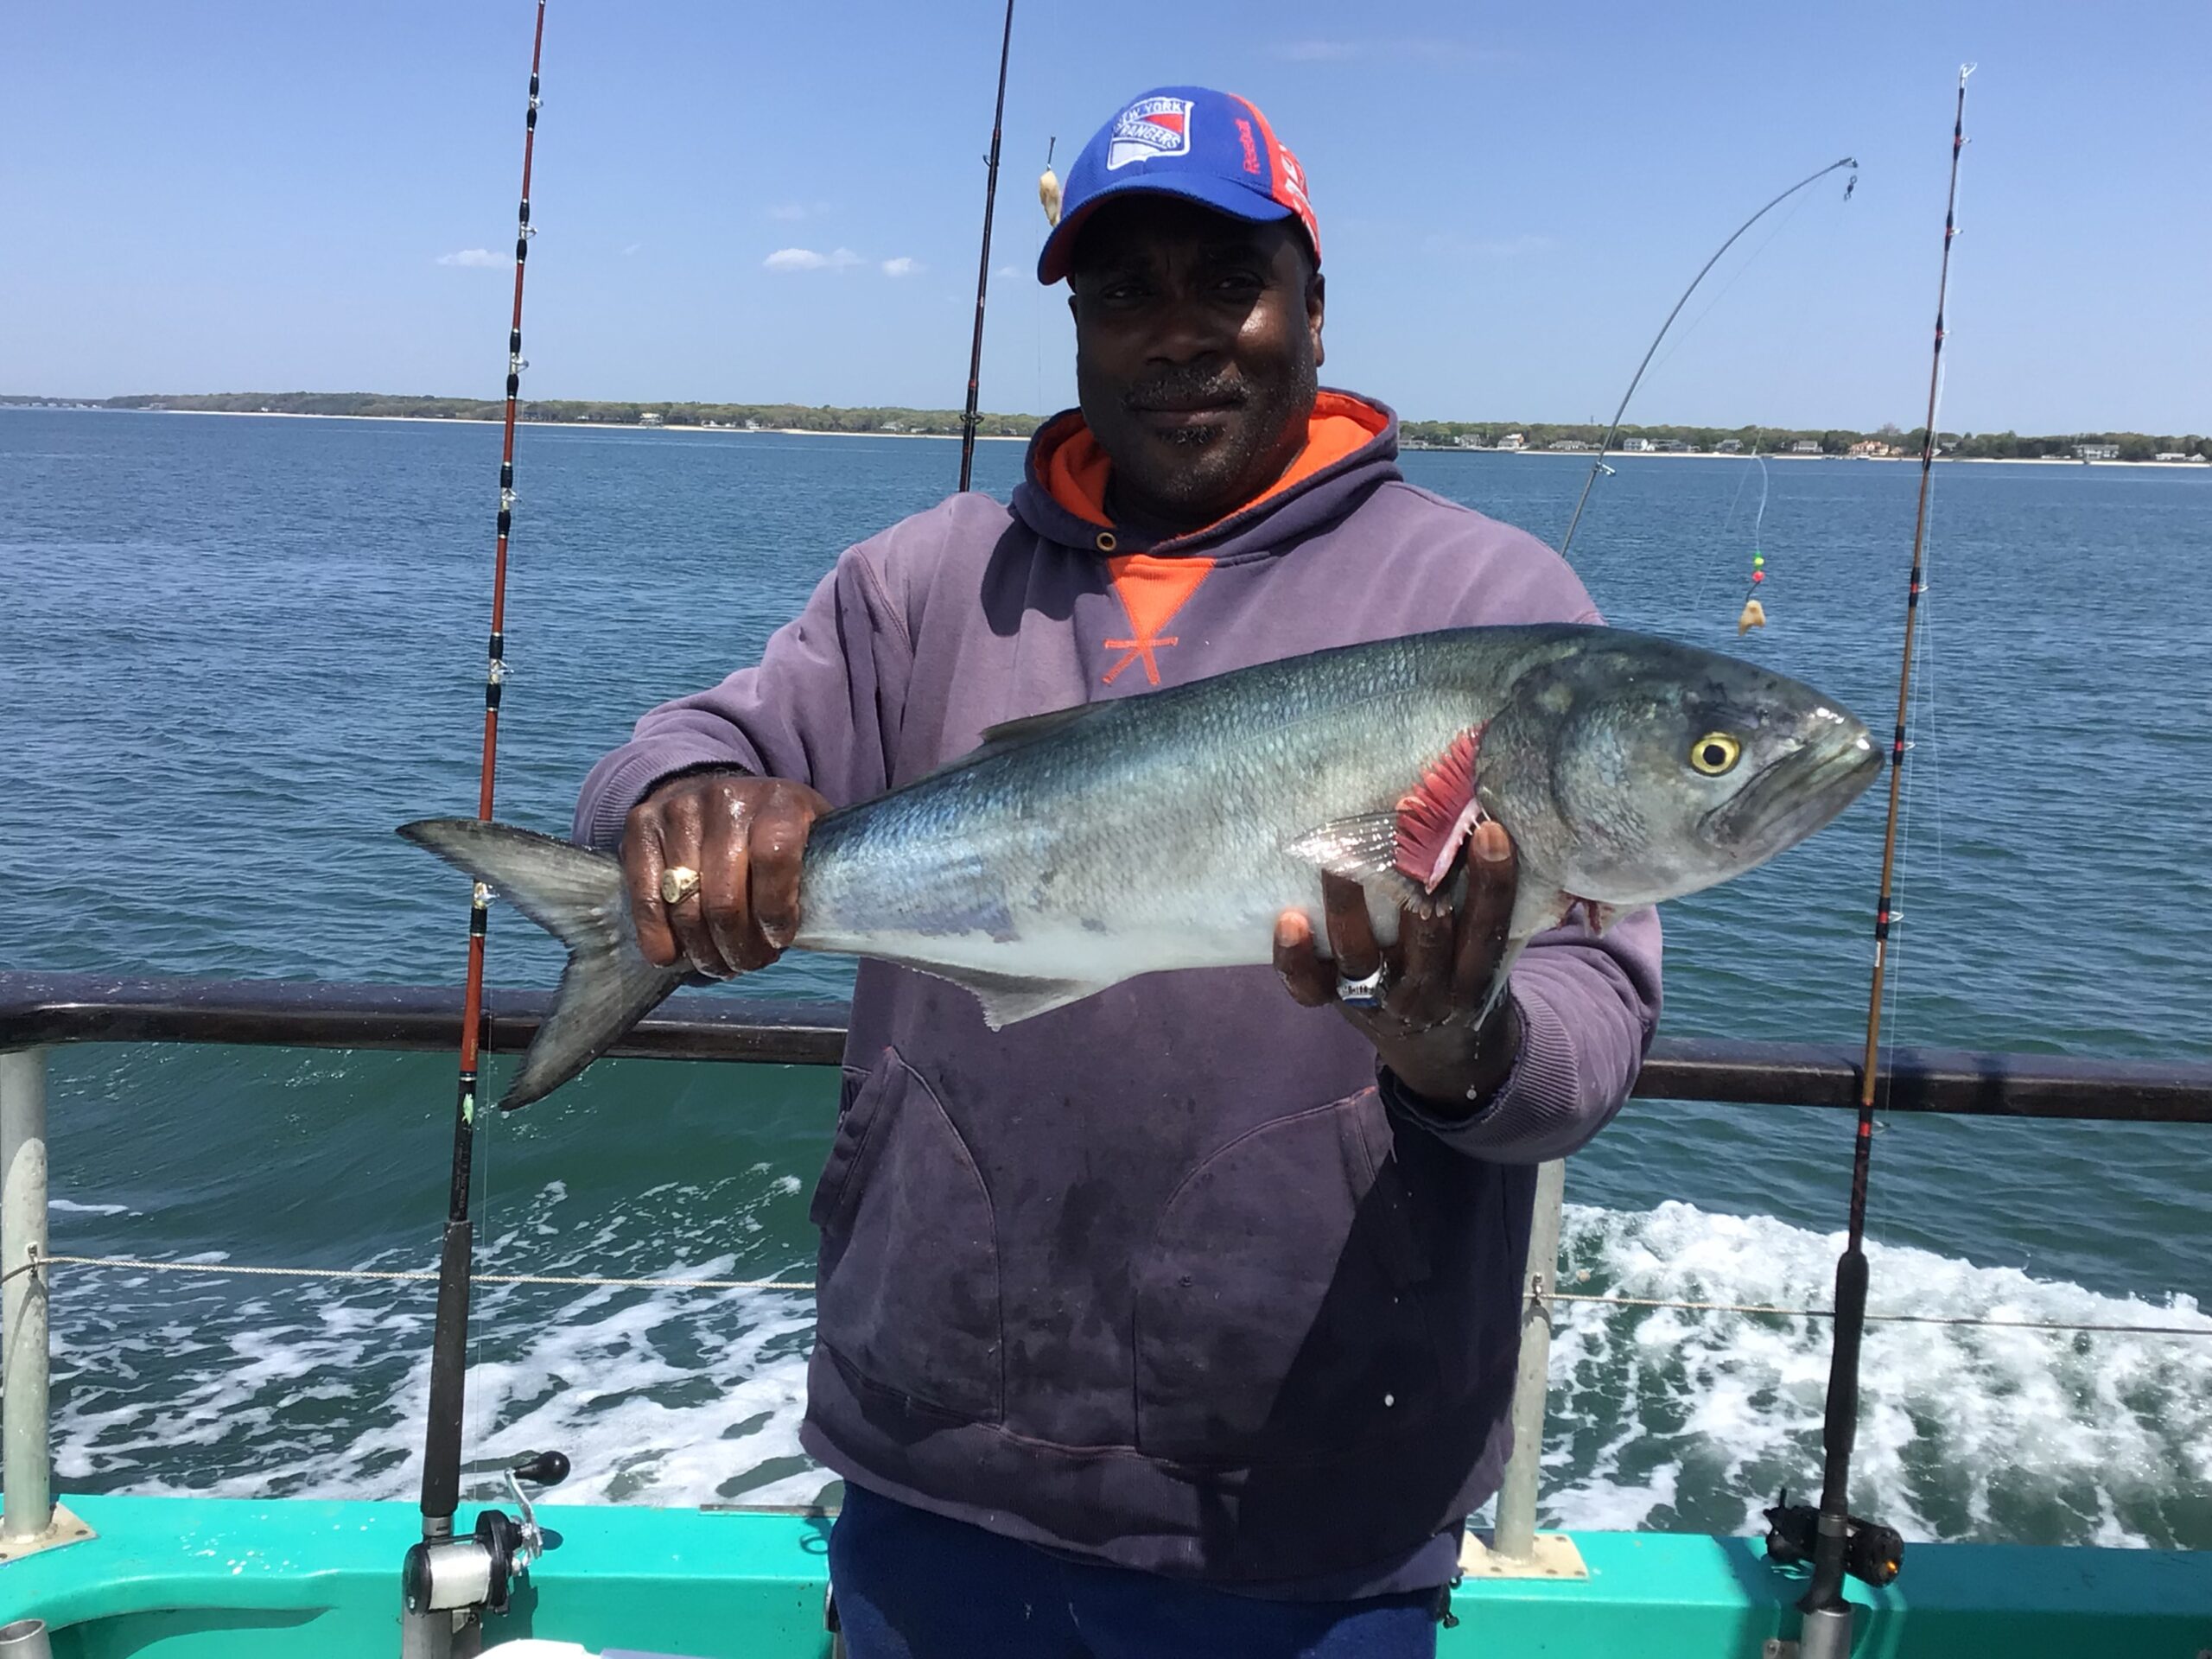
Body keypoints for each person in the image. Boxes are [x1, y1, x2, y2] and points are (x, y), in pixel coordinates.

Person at [575, 86, 1662, 1659]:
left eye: (1230, 282)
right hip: (929, 1465)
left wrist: (1461, 1046)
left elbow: (1592, 1033)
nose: (1183, 334)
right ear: (1077, 326)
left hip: (1314, 1507)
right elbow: (692, 740)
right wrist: (684, 801)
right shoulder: (927, 578)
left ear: (1311, 306)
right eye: (1124, 289)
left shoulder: (1489, 601)